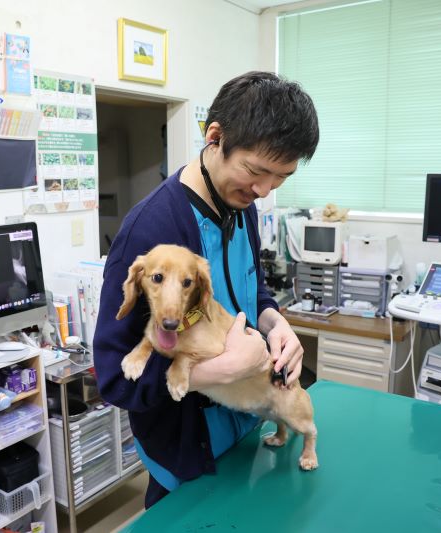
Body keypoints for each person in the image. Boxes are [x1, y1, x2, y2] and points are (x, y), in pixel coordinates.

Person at [93, 71, 319, 508]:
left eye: (281, 179)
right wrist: (214, 373)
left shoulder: (242, 206)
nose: (263, 191)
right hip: (186, 452)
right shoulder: (151, 231)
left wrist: (276, 325)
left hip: (247, 425)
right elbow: (114, 378)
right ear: (215, 137)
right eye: (255, 171)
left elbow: (250, 292)